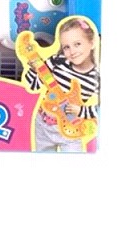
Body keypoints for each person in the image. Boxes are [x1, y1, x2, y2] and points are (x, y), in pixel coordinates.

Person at [24, 17, 100, 152]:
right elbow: (33, 86)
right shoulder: (57, 61)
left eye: (77, 44)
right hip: (43, 125)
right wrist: (34, 69)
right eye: (66, 47)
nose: (72, 51)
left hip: (71, 129)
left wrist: (82, 111)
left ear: (92, 43)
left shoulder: (96, 77)